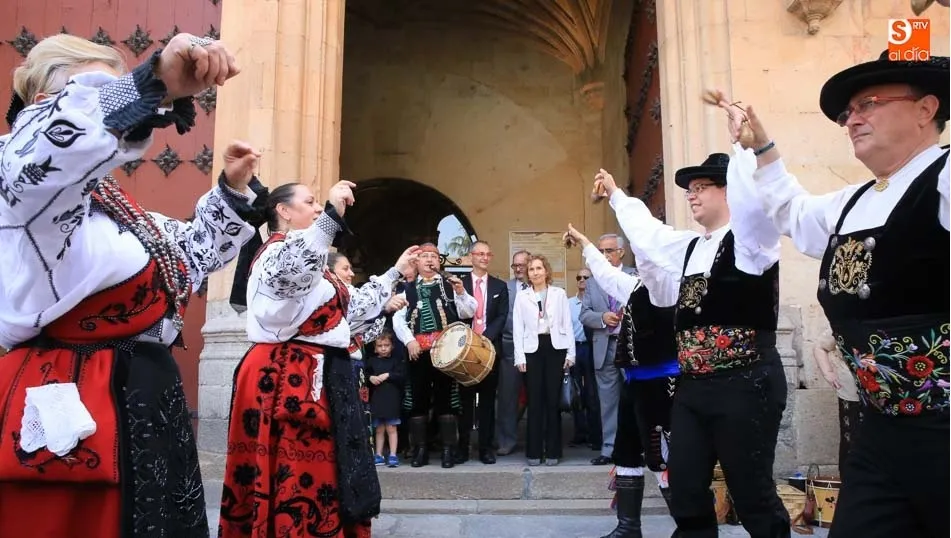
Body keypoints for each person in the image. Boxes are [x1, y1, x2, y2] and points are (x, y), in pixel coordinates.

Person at [0, 33, 246, 537]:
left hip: (144, 400)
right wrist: (152, 80)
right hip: (78, 399)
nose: (132, 102)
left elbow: (188, 258)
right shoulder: (19, 179)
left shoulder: (114, 209)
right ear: (44, 105)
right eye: (95, 88)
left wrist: (232, 191)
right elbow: (39, 157)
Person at [716, 49, 948, 537]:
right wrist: (762, 148)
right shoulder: (854, 201)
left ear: (926, 109)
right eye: (849, 113)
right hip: (879, 431)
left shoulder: (945, 177)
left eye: (869, 104)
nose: (853, 120)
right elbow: (792, 211)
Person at [592, 149, 790, 537]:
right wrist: (616, 194)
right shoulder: (689, 247)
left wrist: (746, 146)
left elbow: (758, 199)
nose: (692, 195)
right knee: (684, 482)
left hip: (745, 383)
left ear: (729, 190)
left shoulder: (753, 240)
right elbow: (649, 234)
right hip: (694, 386)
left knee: (751, 490)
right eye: (690, 189)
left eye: (701, 187)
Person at [217, 180, 417, 538]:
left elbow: (350, 309)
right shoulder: (276, 255)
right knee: (297, 472)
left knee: (324, 472)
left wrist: (395, 272)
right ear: (283, 211)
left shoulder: (317, 267)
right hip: (284, 377)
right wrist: (331, 215)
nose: (316, 208)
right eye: (309, 202)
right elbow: (293, 271)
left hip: (316, 371)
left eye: (317, 203)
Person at [566, 223, 680, 538]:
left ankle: (691, 527)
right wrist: (585, 243)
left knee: (661, 458)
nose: (642, 256)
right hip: (635, 383)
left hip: (661, 386)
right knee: (627, 452)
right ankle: (629, 527)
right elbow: (605, 274)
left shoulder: (669, 286)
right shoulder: (637, 285)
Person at [392, 244, 477, 468]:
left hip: (445, 353)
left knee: (446, 399)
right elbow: (398, 320)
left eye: (434, 256)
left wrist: (461, 292)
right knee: (418, 400)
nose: (429, 260)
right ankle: (420, 450)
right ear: (417, 263)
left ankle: (449, 450)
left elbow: (469, 311)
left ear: (439, 262)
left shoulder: (450, 286)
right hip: (417, 353)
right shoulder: (407, 289)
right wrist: (409, 341)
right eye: (425, 256)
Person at [512, 254, 575, 466]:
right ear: (528, 274)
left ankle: (554, 451)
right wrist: (519, 356)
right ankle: (534, 452)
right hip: (532, 350)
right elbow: (518, 327)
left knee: (552, 401)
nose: (535, 272)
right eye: (531, 269)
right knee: (535, 401)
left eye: (539, 268)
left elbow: (568, 325)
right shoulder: (522, 297)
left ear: (546, 271)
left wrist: (571, 354)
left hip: (555, 348)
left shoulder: (559, 294)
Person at [579, 234, 635, 465]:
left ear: (621, 252)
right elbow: (584, 314)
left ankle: (637, 449)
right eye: (600, 251)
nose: (604, 255)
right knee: (608, 402)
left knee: (635, 400)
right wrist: (602, 317)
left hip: (631, 347)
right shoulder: (593, 283)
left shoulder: (635, 276)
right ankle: (609, 449)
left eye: (608, 251)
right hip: (605, 347)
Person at [458, 240, 508, 464]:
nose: (485, 258)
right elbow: (456, 313)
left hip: (490, 350)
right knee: (465, 401)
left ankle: (486, 448)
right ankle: (463, 447)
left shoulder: (499, 286)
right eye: (480, 254)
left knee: (487, 402)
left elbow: (501, 316)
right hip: (464, 351)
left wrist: (484, 339)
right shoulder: (459, 284)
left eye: (488, 254)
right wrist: (471, 342)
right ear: (471, 257)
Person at [812, 330, 862, 479]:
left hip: (883, 399)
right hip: (851, 394)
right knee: (851, 441)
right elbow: (820, 346)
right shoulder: (845, 324)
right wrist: (828, 372)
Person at [497, 249, 531, 455]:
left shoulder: (541, 286)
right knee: (507, 397)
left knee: (537, 395)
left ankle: (537, 441)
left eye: (522, 265)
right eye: (515, 265)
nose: (518, 269)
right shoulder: (505, 287)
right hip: (509, 346)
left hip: (535, 347)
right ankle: (506, 441)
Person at [568, 267, 601, 448]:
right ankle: (579, 432)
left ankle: (595, 435)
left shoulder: (597, 303)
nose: (582, 280)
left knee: (592, 392)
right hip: (574, 348)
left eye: (586, 277)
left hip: (591, 348)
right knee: (575, 392)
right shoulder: (569, 303)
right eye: (579, 277)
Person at [366, 330, 406, 468]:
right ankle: (379, 454)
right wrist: (371, 378)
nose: (383, 348)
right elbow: (364, 375)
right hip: (377, 399)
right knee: (379, 429)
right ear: (375, 348)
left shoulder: (396, 361)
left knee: (391, 427)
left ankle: (393, 454)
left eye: (386, 345)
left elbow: (401, 376)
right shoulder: (371, 362)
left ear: (392, 346)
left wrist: (388, 375)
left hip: (392, 399)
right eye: (380, 346)